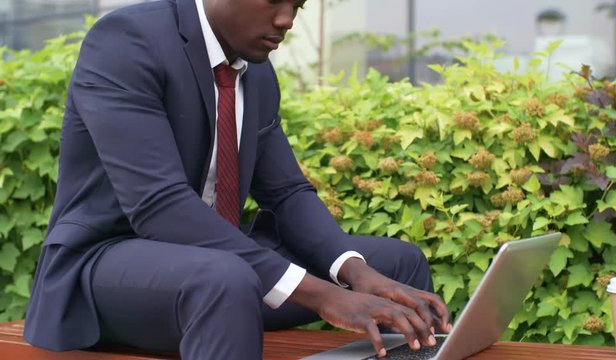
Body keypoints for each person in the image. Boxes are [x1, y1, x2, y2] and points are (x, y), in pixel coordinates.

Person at [24, 0, 451, 358]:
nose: (286, 20)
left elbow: (286, 192)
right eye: (273, 1)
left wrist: (354, 271)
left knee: (395, 264)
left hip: (219, 268)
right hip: (103, 267)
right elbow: (159, 205)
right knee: (225, 280)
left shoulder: (255, 71)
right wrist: (325, 295)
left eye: (297, 5)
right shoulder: (126, 42)